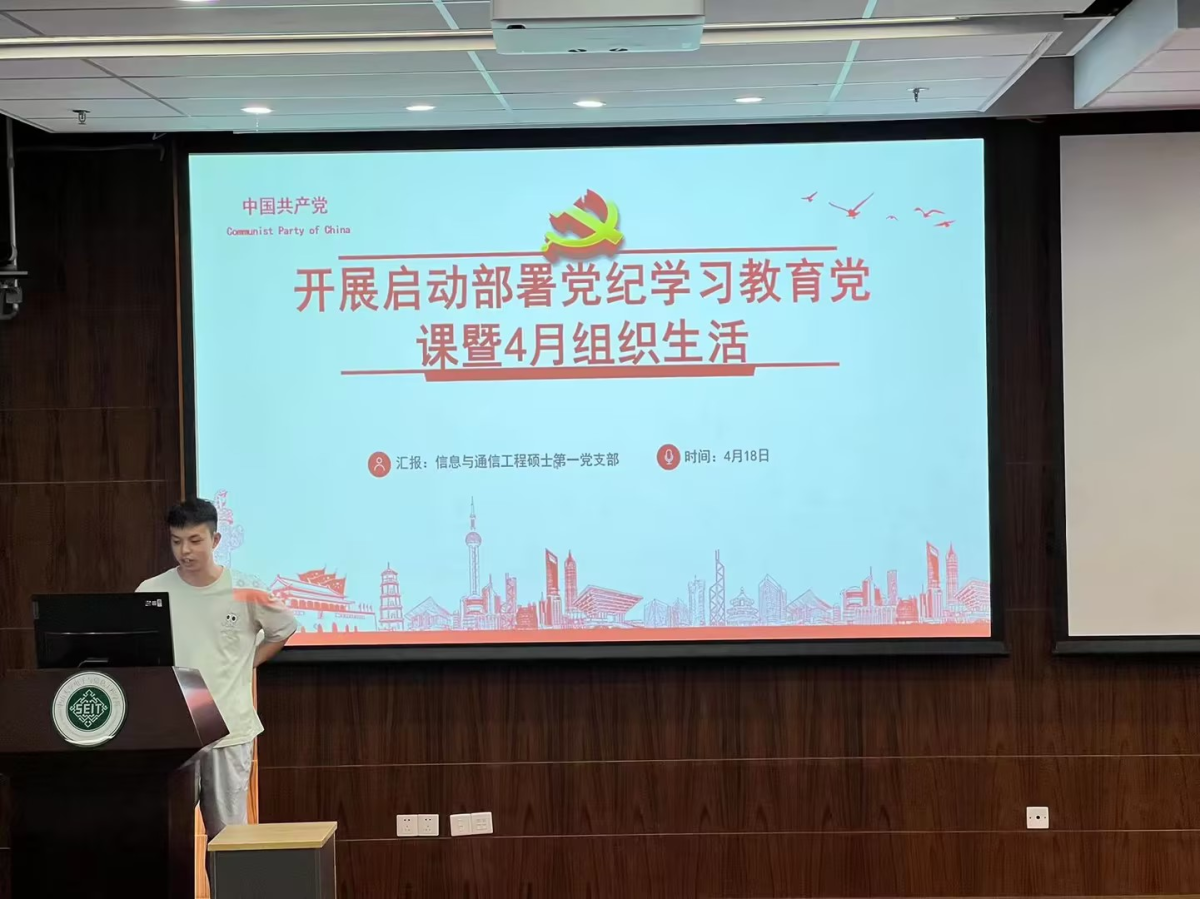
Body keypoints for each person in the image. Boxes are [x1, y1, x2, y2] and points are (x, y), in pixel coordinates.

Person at [137, 497, 296, 856]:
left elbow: (283, 629)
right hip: (171, 734)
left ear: (216, 540)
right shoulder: (151, 591)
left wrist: (246, 663)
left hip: (229, 731)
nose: (185, 551)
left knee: (228, 839)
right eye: (176, 541)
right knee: (165, 837)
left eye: (195, 540)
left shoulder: (246, 589)